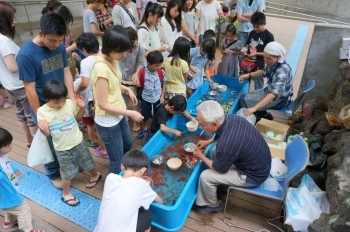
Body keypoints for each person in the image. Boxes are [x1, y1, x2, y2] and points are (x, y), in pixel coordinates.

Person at [17, 13, 76, 190]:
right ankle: (53, 173)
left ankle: (67, 165)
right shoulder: (26, 55)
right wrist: (39, 116)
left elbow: (66, 72)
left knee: (64, 135)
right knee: (49, 143)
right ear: (40, 32)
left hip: (62, 102)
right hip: (43, 106)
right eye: (52, 40)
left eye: (60, 40)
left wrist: (71, 98)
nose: (56, 45)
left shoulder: (58, 47)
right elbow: (30, 89)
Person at [192, 100, 271, 214]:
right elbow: (221, 133)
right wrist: (208, 142)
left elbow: (219, 168)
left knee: (205, 176)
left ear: (214, 123)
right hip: (261, 162)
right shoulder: (231, 118)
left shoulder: (227, 143)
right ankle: (223, 184)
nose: (201, 127)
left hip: (254, 175)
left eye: (202, 124)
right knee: (215, 150)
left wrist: (200, 156)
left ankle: (211, 204)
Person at [37, 80, 102, 206]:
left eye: (63, 100)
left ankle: (96, 175)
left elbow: (78, 118)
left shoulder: (69, 103)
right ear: (47, 99)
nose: (61, 104)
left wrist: (82, 107)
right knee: (66, 173)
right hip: (62, 148)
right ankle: (66, 193)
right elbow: (47, 134)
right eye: (57, 102)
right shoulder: (42, 111)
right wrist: (42, 128)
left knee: (87, 161)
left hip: (78, 141)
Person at [91, 25, 143, 174]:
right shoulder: (100, 68)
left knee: (128, 143)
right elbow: (102, 104)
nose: (124, 55)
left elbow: (113, 83)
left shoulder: (112, 59)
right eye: (121, 51)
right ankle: (113, 189)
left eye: (126, 50)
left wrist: (126, 89)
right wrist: (130, 113)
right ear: (110, 47)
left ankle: (124, 174)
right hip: (108, 120)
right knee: (116, 160)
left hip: (118, 114)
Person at [94, 149, 163, 232]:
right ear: (143, 170)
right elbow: (159, 200)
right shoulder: (142, 184)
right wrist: (146, 187)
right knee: (146, 212)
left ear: (122, 166)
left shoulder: (110, 177)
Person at [0, 1, 38, 148]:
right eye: (12, 17)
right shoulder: (4, 41)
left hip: (8, 85)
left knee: (21, 112)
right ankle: (36, 143)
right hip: (19, 84)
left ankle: (29, 141)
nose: (14, 20)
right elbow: (13, 67)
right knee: (31, 115)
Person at [0, 128, 44, 232]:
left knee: (9, 208)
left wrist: (14, 170)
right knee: (24, 210)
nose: (11, 147)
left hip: (4, 197)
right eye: (7, 145)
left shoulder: (1, 156)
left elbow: (6, 164)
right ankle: (27, 229)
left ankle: (9, 221)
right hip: (9, 194)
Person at [239, 41, 293, 121]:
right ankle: (264, 114)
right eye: (264, 57)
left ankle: (256, 118)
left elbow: (273, 94)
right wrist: (248, 75)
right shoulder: (273, 63)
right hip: (269, 90)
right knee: (245, 96)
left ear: (278, 57)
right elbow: (263, 72)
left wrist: (254, 108)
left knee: (244, 101)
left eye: (268, 59)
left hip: (279, 99)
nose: (265, 61)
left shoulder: (282, 71)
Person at [75, 33, 108, 158]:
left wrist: (77, 91)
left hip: (93, 97)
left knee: (98, 124)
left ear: (83, 49)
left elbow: (85, 83)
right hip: (108, 93)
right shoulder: (103, 53)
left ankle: (104, 150)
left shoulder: (85, 62)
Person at [121, 27, 145, 133]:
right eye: (129, 48)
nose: (131, 50)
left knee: (134, 99)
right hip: (120, 75)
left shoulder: (140, 47)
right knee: (123, 99)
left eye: (133, 47)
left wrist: (137, 73)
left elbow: (141, 63)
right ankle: (126, 118)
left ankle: (135, 121)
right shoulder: (119, 47)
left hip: (132, 76)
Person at [137, 51, 165, 139]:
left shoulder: (160, 71)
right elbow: (139, 85)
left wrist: (162, 96)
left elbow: (164, 83)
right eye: (156, 65)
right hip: (146, 98)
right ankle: (144, 128)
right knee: (145, 115)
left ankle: (155, 129)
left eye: (159, 65)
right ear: (149, 63)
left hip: (157, 98)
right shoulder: (142, 72)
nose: (158, 67)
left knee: (158, 115)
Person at [243, 11, 274, 90]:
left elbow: (269, 54)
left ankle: (258, 98)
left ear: (264, 24)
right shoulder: (252, 33)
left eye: (258, 27)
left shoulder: (269, 36)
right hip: (248, 61)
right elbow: (247, 45)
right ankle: (244, 95)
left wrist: (256, 53)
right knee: (246, 80)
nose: (255, 29)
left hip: (259, 64)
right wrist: (245, 50)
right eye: (254, 26)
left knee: (258, 83)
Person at [161, 37, 190, 103]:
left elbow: (163, 75)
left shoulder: (166, 60)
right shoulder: (184, 63)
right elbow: (185, 77)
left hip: (167, 91)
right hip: (179, 92)